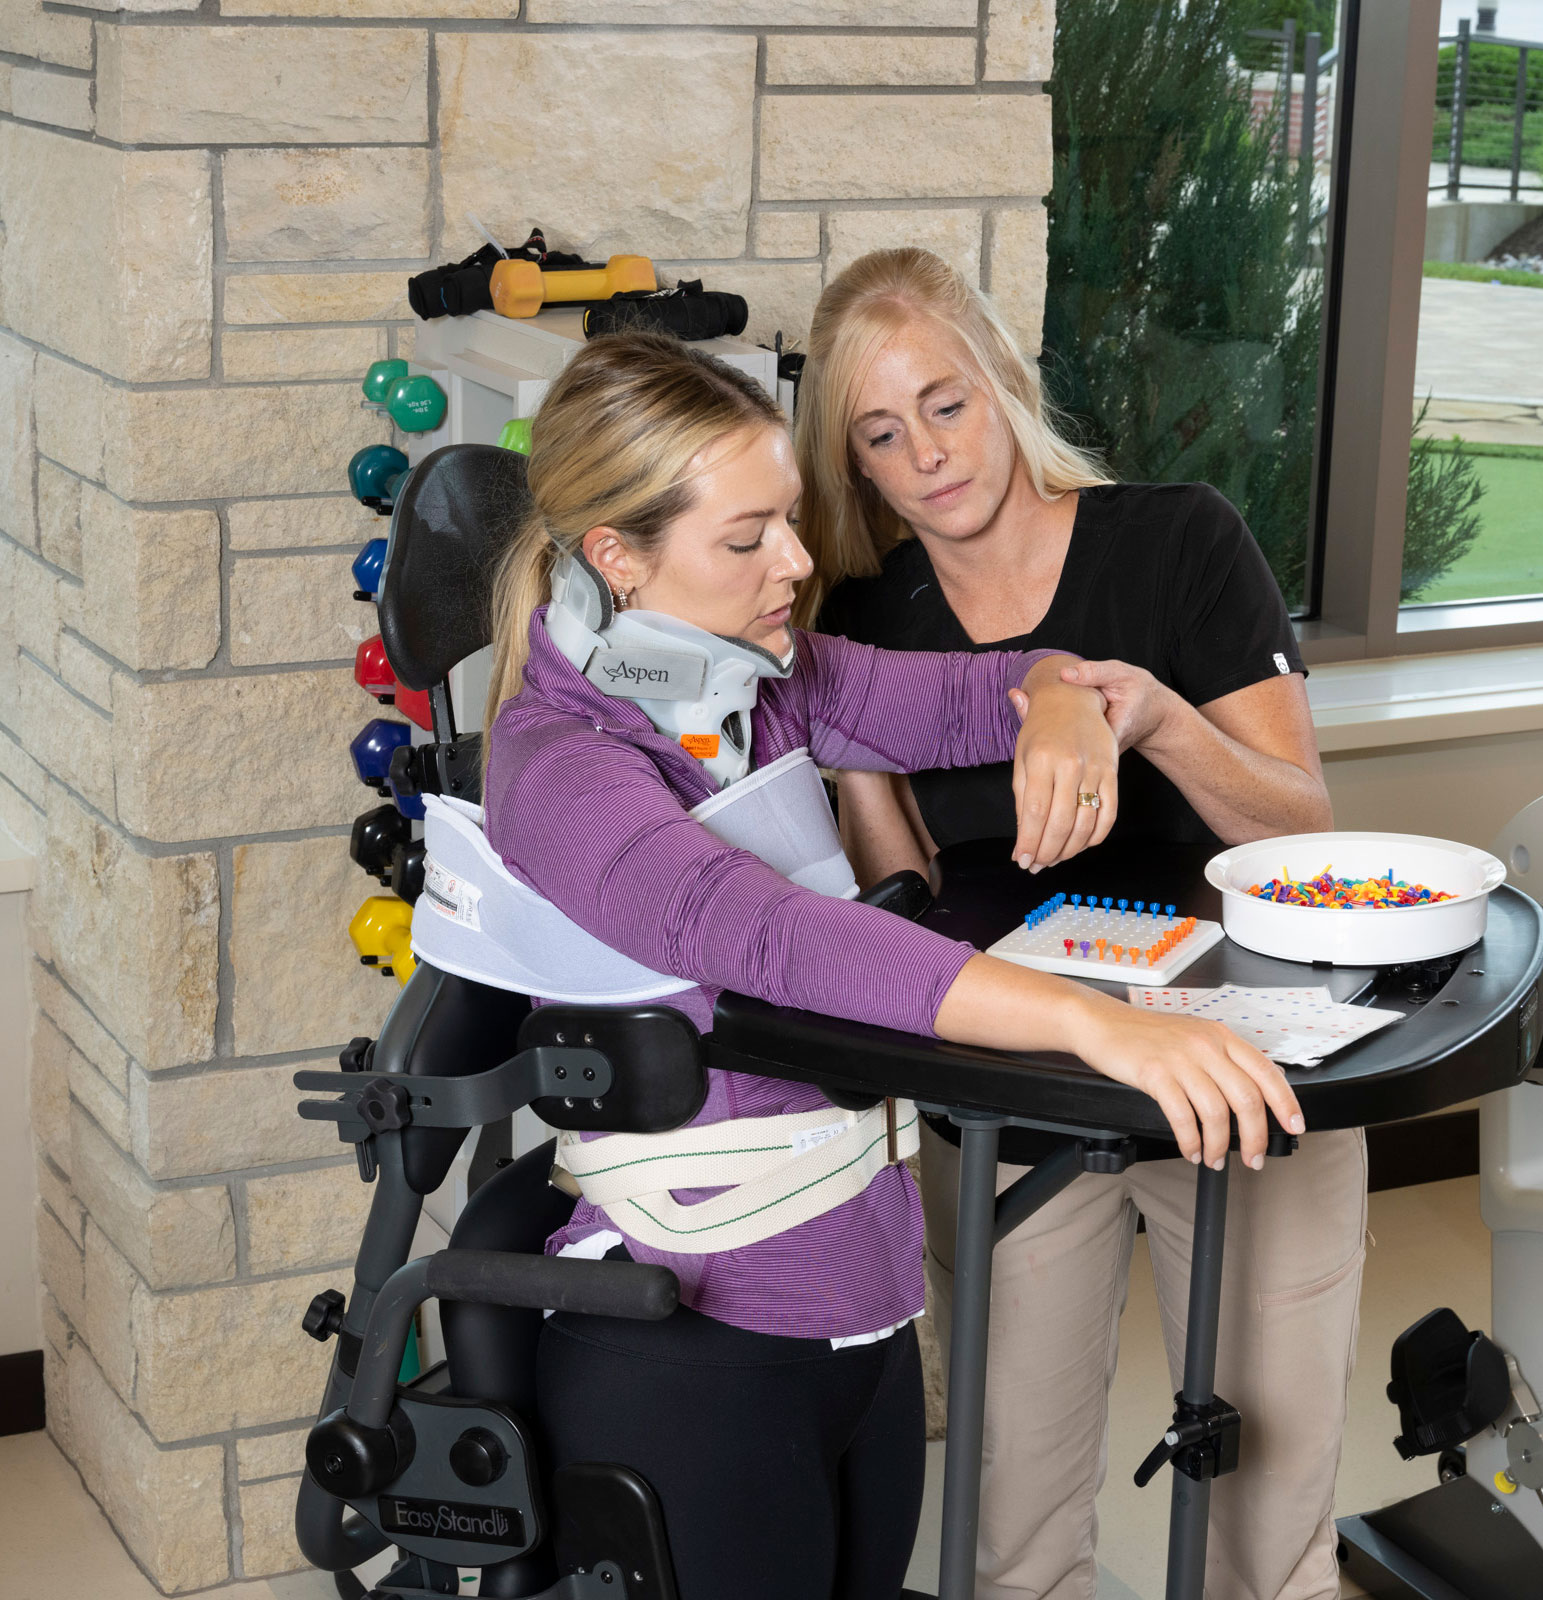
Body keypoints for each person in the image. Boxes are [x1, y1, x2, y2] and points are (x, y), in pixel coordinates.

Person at [471, 331, 1307, 1600]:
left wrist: (1065, 697)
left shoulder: (765, 682)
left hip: (859, 1320)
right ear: (616, 559)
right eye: (746, 540)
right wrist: (1096, 1025)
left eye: (792, 522)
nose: (798, 567)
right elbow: (773, 936)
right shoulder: (562, 769)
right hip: (700, 1344)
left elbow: (984, 693)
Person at [800, 250, 1361, 1600]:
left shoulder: (1176, 542)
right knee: (1012, 1511)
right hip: (1018, 1083)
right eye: (883, 434)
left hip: (1239, 1058)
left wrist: (1158, 716)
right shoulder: (874, 617)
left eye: (945, 403)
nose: (928, 455)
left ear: (1003, 378)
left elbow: (1305, 841)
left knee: (1267, 1503)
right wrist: (850, 733)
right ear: (858, 468)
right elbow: (909, 899)